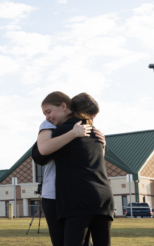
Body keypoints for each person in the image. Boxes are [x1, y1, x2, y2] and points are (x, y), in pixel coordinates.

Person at [35, 92, 114, 246]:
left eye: (48, 112)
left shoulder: (63, 131)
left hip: (77, 198)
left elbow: (40, 154)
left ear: (65, 107)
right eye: (92, 116)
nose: (47, 117)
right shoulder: (92, 131)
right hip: (104, 198)